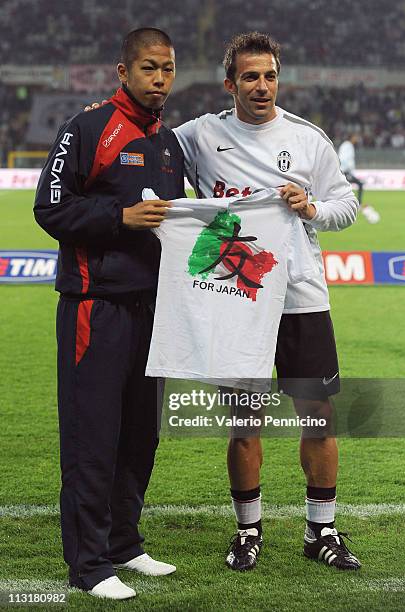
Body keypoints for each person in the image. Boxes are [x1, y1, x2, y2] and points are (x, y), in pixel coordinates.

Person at [173, 32, 361, 572]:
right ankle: (248, 530)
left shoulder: (306, 139)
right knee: (244, 420)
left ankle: (320, 530)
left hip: (301, 297)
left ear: (279, 78)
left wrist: (312, 209)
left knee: (318, 416)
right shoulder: (200, 137)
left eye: (270, 75)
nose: (262, 86)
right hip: (238, 299)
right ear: (230, 83)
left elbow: (345, 204)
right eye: (250, 77)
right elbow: (149, 148)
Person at [34, 28, 185, 600]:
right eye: (149, 68)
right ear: (123, 71)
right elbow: (50, 207)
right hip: (94, 310)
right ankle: (90, 565)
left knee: (139, 437)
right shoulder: (88, 128)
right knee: (92, 437)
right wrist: (120, 218)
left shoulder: (168, 144)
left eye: (168, 69)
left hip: (153, 311)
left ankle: (125, 542)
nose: (160, 79)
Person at [338, 133, 380, 223]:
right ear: (351, 137)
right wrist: (345, 170)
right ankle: (355, 205)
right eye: (355, 137)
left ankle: (349, 205)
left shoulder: (347, 145)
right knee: (359, 184)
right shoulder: (347, 145)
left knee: (352, 186)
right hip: (344, 171)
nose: (356, 138)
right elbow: (343, 158)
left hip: (345, 171)